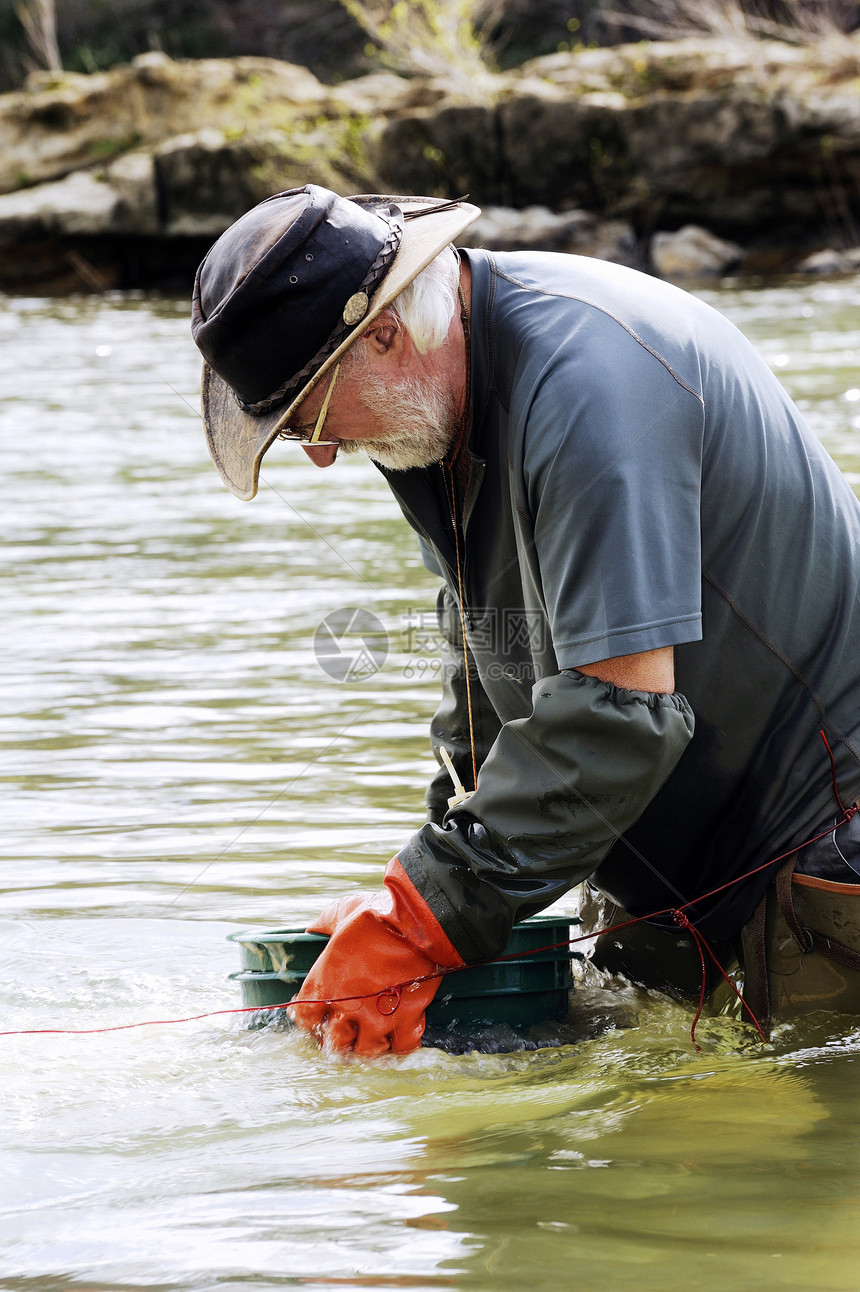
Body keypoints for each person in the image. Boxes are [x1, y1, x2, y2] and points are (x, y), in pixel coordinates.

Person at [191, 184, 860, 1055]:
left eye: (311, 414)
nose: (318, 452)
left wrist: (418, 920)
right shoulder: (433, 403)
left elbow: (623, 713)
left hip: (821, 857)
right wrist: (415, 888)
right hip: (677, 873)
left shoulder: (591, 388)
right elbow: (484, 663)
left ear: (385, 333)